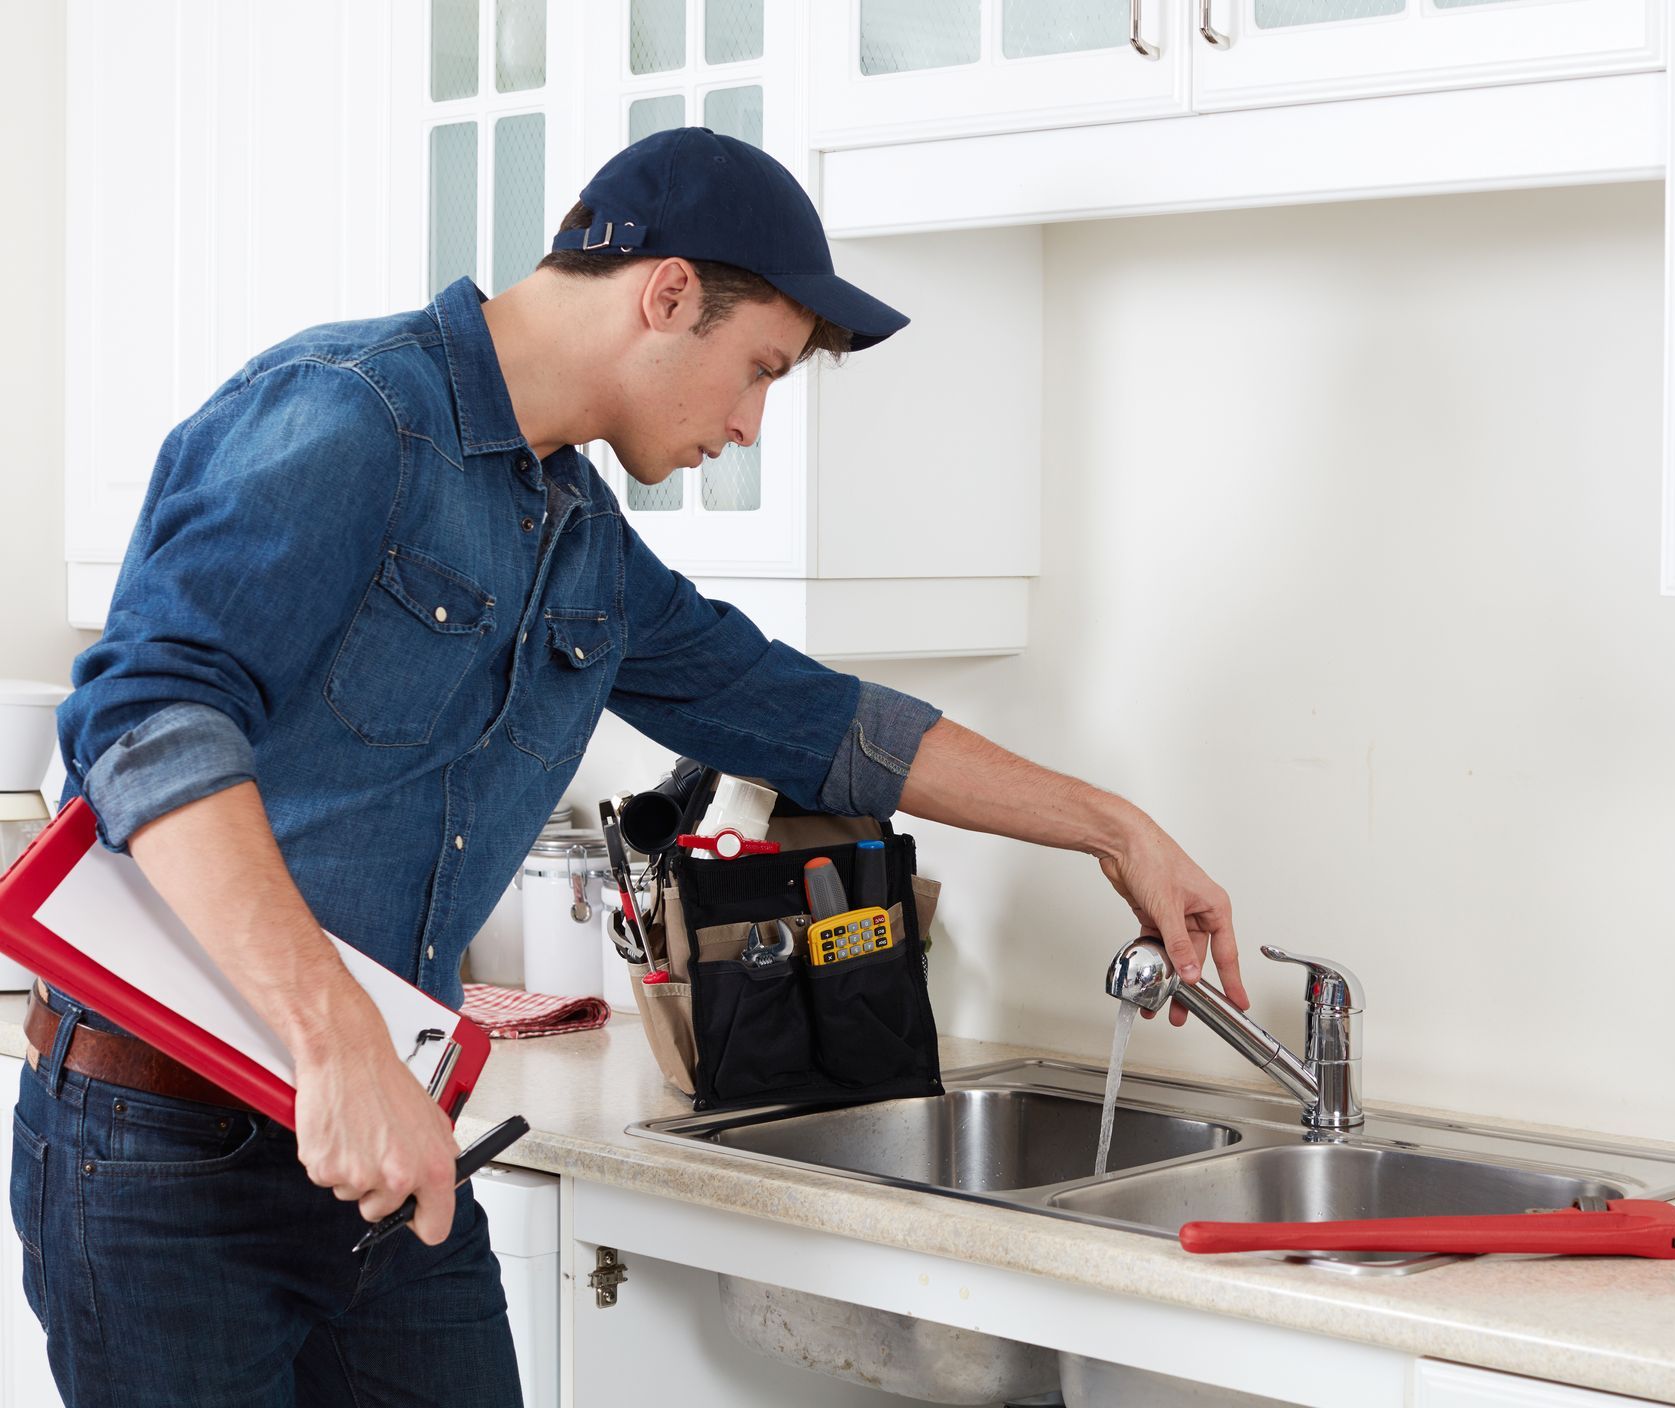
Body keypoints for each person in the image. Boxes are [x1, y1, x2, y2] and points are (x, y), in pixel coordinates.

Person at [17, 128, 1245, 1406]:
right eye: (758, 368)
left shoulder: (582, 544)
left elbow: (818, 721)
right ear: (666, 295)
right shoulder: (350, 415)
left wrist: (1113, 827)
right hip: (163, 1150)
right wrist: (334, 1041)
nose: (751, 422)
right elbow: (146, 716)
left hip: (390, 1144)